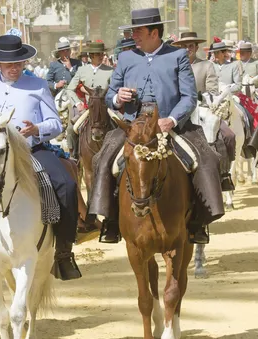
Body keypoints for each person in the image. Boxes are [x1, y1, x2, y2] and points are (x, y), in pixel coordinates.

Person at [0, 35, 82, 283]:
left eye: (18, 63)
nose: (14, 68)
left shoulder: (38, 85)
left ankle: (63, 252)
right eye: (9, 64)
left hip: (31, 150)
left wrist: (37, 129)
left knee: (67, 184)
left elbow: (55, 124)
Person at [90, 7, 224, 245]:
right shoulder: (126, 57)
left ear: (154, 32)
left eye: (138, 31)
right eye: (133, 31)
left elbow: (189, 97)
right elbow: (111, 94)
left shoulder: (178, 56)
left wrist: (171, 119)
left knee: (208, 159)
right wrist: (118, 97)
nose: (134, 36)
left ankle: (199, 222)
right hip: (132, 127)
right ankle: (109, 221)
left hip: (170, 125)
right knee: (102, 159)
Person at [171, 31, 236, 190]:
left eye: (191, 46)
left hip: (202, 109)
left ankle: (223, 173)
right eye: (184, 46)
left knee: (228, 136)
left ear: (196, 47)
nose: (187, 49)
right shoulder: (173, 66)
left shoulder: (207, 65)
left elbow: (212, 91)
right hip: (177, 112)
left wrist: (201, 99)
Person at [65, 41, 114, 159]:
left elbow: (115, 89)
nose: (102, 56)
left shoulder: (110, 71)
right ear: (91, 56)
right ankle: (74, 156)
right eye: (98, 54)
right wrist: (77, 103)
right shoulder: (82, 70)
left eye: (102, 53)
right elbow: (69, 89)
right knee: (72, 129)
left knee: (122, 126)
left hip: (105, 108)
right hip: (88, 109)